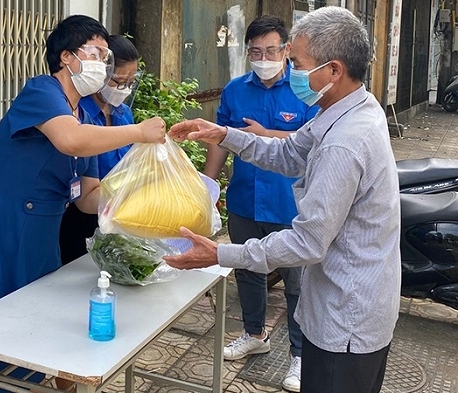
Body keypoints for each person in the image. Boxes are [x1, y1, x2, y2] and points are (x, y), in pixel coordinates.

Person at [165, 7, 400, 393]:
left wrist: (219, 254)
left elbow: (307, 242)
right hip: (350, 303)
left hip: (346, 318)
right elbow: (287, 153)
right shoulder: (348, 109)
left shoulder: (344, 141)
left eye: (297, 62)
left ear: (334, 70)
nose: (291, 71)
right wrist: (222, 133)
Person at [0, 15, 166, 392]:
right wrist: (139, 133)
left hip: (42, 238)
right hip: (3, 229)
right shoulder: (42, 92)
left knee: (32, 336)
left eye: (106, 57)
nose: (103, 64)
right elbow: (70, 140)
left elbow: (88, 200)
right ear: (66, 57)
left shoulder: (85, 118)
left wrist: (139, 194)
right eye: (96, 53)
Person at [201, 16, 319, 392]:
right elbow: (221, 139)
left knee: (297, 281)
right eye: (255, 51)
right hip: (245, 199)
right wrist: (209, 185)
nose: (263, 57)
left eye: (271, 50)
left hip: (290, 203)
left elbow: (314, 140)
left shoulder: (305, 89)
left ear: (286, 50)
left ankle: (300, 354)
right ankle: (254, 334)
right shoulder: (236, 91)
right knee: (247, 271)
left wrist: (265, 134)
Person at [59, 34, 141, 265]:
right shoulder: (76, 113)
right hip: (80, 216)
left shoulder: (123, 113)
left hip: (118, 213)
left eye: (130, 83)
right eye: (118, 81)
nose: (123, 89)